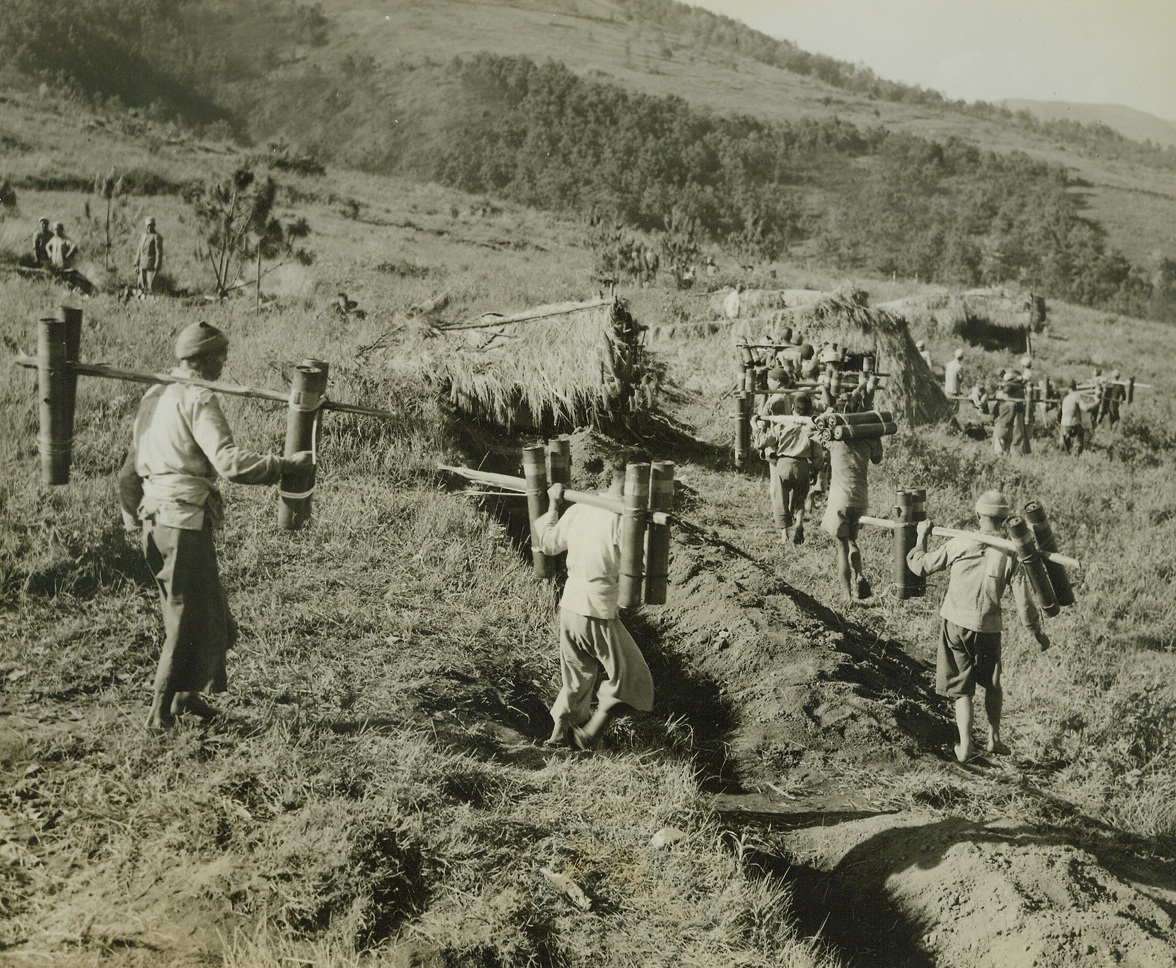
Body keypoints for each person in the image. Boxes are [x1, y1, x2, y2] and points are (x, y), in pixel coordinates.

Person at [118, 322, 312, 729]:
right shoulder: (197, 397)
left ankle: (186, 698)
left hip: (156, 522)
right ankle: (159, 713)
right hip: (182, 523)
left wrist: (132, 520)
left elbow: (127, 475)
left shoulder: (153, 394)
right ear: (205, 360)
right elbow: (229, 463)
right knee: (188, 618)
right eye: (221, 357)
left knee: (211, 614)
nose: (224, 365)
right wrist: (283, 466)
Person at [907, 491, 1050, 763]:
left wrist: (920, 537)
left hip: (956, 625)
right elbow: (1025, 604)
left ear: (977, 515)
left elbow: (921, 567)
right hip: (989, 628)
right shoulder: (1011, 554)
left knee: (963, 688)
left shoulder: (961, 542)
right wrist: (1037, 633)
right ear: (1006, 519)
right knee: (993, 683)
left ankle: (965, 746)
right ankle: (994, 738)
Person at [532, 450, 655, 751]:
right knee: (634, 677)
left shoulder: (580, 508)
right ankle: (590, 733)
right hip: (596, 610)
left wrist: (552, 503)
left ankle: (559, 736)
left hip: (570, 607)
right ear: (638, 482)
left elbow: (547, 544)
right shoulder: (624, 518)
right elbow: (640, 567)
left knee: (577, 677)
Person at [821, 425, 883, 602]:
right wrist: (876, 436)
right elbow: (878, 458)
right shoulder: (868, 441)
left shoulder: (835, 441)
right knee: (852, 539)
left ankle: (847, 595)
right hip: (861, 499)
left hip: (840, 500)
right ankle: (860, 575)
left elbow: (813, 430)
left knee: (842, 546)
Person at [755, 393, 819, 545]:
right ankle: (799, 524)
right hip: (802, 466)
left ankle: (784, 535)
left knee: (781, 499)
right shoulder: (812, 427)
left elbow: (762, 442)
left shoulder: (783, 424)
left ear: (792, 409)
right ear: (810, 411)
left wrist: (755, 427)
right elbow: (817, 453)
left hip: (782, 464)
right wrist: (815, 470)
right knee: (800, 498)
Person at [1059, 380, 1092, 455]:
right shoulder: (1077, 396)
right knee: (1080, 436)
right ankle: (1076, 455)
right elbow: (1085, 408)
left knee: (1064, 443)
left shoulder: (1065, 398)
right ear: (1076, 387)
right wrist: (1096, 403)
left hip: (1064, 424)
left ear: (1067, 388)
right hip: (1073, 423)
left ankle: (1064, 454)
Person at [135, 216, 164, 293]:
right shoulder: (143, 236)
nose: (149, 227)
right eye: (148, 225)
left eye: (151, 225)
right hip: (142, 264)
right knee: (140, 286)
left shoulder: (156, 237)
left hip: (151, 265)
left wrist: (157, 266)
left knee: (151, 286)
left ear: (154, 225)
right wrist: (136, 264)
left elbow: (159, 252)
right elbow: (139, 250)